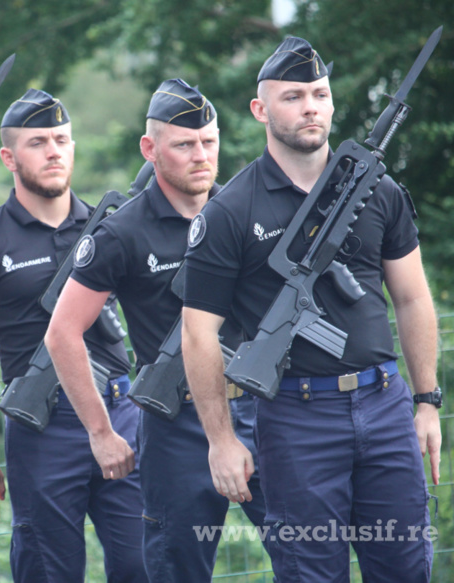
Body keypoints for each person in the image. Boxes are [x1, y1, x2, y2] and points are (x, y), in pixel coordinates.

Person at [181, 37, 441, 581]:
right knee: (309, 571)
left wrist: (426, 401)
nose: (310, 107)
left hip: (385, 404)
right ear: (260, 109)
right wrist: (222, 440)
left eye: (319, 94)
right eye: (293, 95)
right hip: (296, 419)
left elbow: (414, 297)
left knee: (406, 566)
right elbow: (198, 334)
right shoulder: (230, 211)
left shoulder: (379, 191)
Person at [44, 80, 268, 581]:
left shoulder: (244, 212)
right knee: (175, 569)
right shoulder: (123, 232)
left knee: (304, 556)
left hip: (258, 411)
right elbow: (62, 332)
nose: (200, 155)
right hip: (176, 428)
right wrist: (101, 432)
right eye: (184, 144)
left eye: (208, 142)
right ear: (151, 149)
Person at [0, 88, 146, 582]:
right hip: (43, 428)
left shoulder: (110, 229)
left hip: (121, 414)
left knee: (144, 563)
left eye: (62, 139)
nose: (54, 151)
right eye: (38, 142)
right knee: (48, 571)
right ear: (9, 157)